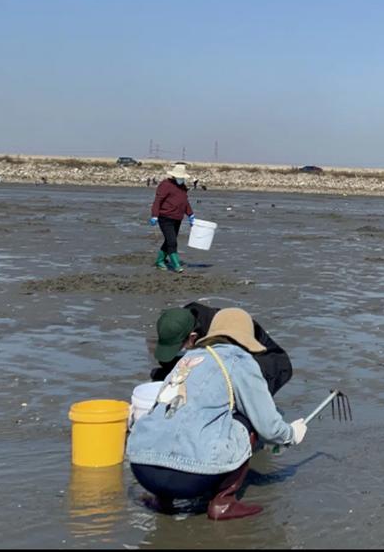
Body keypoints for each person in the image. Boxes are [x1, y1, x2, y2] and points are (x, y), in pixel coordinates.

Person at [127, 308, 306, 521]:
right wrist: (291, 434)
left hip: (142, 467)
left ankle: (162, 500)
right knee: (246, 420)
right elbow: (267, 423)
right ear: (245, 338)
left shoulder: (187, 359)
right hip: (188, 478)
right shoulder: (241, 361)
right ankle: (223, 502)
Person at [151, 303, 293, 397]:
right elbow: (168, 362)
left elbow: (232, 375)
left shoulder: (222, 336)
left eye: (177, 347)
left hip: (268, 364)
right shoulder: (179, 322)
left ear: (193, 337)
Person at [149, 164, 194, 272]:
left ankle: (160, 261)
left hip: (177, 218)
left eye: (182, 177)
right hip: (165, 218)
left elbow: (185, 202)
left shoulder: (182, 187)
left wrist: (191, 214)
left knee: (169, 240)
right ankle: (176, 265)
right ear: (174, 176)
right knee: (172, 242)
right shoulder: (165, 185)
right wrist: (154, 215)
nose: (181, 179)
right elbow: (158, 200)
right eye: (180, 177)